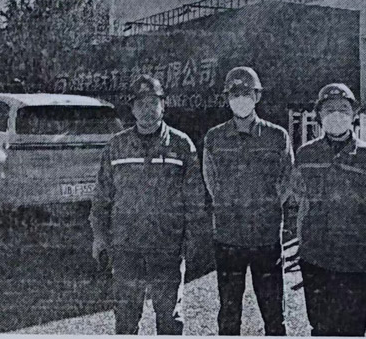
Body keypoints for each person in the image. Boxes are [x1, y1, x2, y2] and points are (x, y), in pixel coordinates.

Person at [90, 74, 207, 335]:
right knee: (126, 320)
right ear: (132, 108)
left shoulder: (181, 145)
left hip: (167, 248)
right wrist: (99, 236)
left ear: (163, 105)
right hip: (126, 248)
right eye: (140, 103)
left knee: (169, 319)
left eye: (153, 102)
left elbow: (195, 200)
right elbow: (102, 198)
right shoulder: (116, 146)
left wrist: (193, 240)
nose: (147, 109)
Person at [202, 66, 293, 336]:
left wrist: (265, 207)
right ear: (227, 98)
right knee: (229, 314)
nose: (241, 99)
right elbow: (211, 181)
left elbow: (286, 179)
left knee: (274, 313)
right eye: (235, 94)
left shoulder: (277, 136)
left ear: (257, 96)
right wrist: (230, 205)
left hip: (266, 237)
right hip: (228, 238)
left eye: (247, 93)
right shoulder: (214, 137)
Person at [293, 83, 366, 336]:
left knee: (353, 330)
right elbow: (299, 197)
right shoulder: (305, 155)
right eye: (329, 109)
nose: (336, 115)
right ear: (319, 115)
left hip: (357, 260)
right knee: (321, 328)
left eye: (343, 109)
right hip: (316, 258)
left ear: (354, 114)